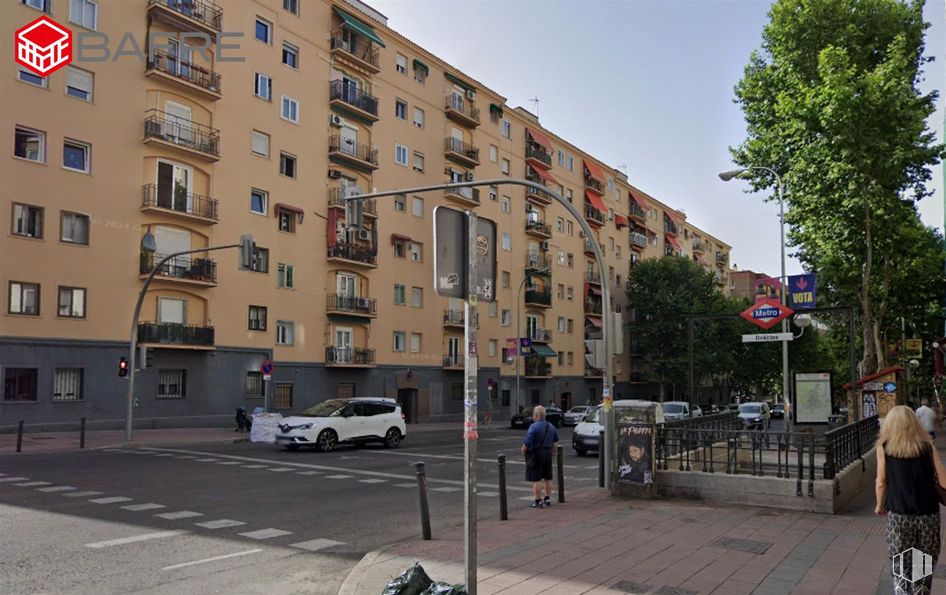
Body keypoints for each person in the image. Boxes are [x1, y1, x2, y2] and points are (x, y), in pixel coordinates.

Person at [875, 405, 946, 595]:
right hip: (928, 515)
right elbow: (944, 482)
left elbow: (881, 482)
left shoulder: (884, 448)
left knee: (900, 565)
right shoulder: (927, 447)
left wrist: (879, 505)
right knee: (921, 569)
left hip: (899, 516)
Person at [521, 405, 558, 508]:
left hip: (536, 454)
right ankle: (547, 499)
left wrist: (523, 450)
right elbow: (555, 442)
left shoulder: (533, 426)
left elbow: (528, 442)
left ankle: (538, 500)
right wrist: (552, 452)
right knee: (548, 477)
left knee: (536, 478)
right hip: (548, 453)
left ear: (536, 415)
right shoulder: (551, 426)